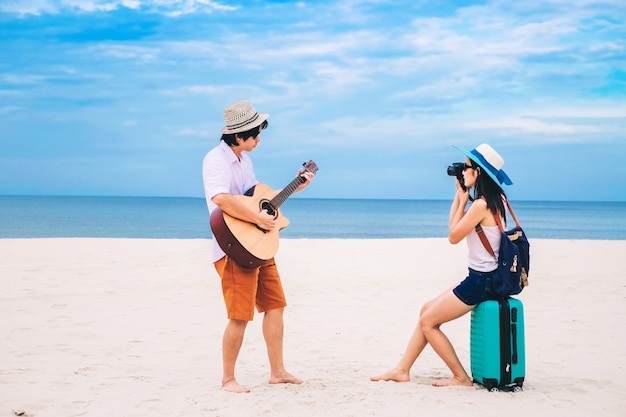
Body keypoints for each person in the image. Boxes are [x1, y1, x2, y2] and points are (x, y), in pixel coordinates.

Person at [370, 143, 513, 387]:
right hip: (483, 277)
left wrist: (461, 200)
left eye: (467, 168)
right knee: (426, 309)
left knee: (429, 322)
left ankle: (460, 377)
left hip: (481, 281)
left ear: (478, 173)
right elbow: (454, 229)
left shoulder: (480, 205)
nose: (463, 172)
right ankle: (402, 369)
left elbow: (453, 236)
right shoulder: (495, 199)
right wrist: (460, 198)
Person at [202, 100, 315, 393]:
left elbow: (259, 199)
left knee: (275, 305)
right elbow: (222, 199)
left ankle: (277, 372)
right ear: (238, 135)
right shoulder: (215, 159)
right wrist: (258, 219)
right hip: (232, 249)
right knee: (240, 316)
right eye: (255, 134)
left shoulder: (245, 161)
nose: (259, 139)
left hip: (259, 245)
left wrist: (295, 186)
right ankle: (228, 379)